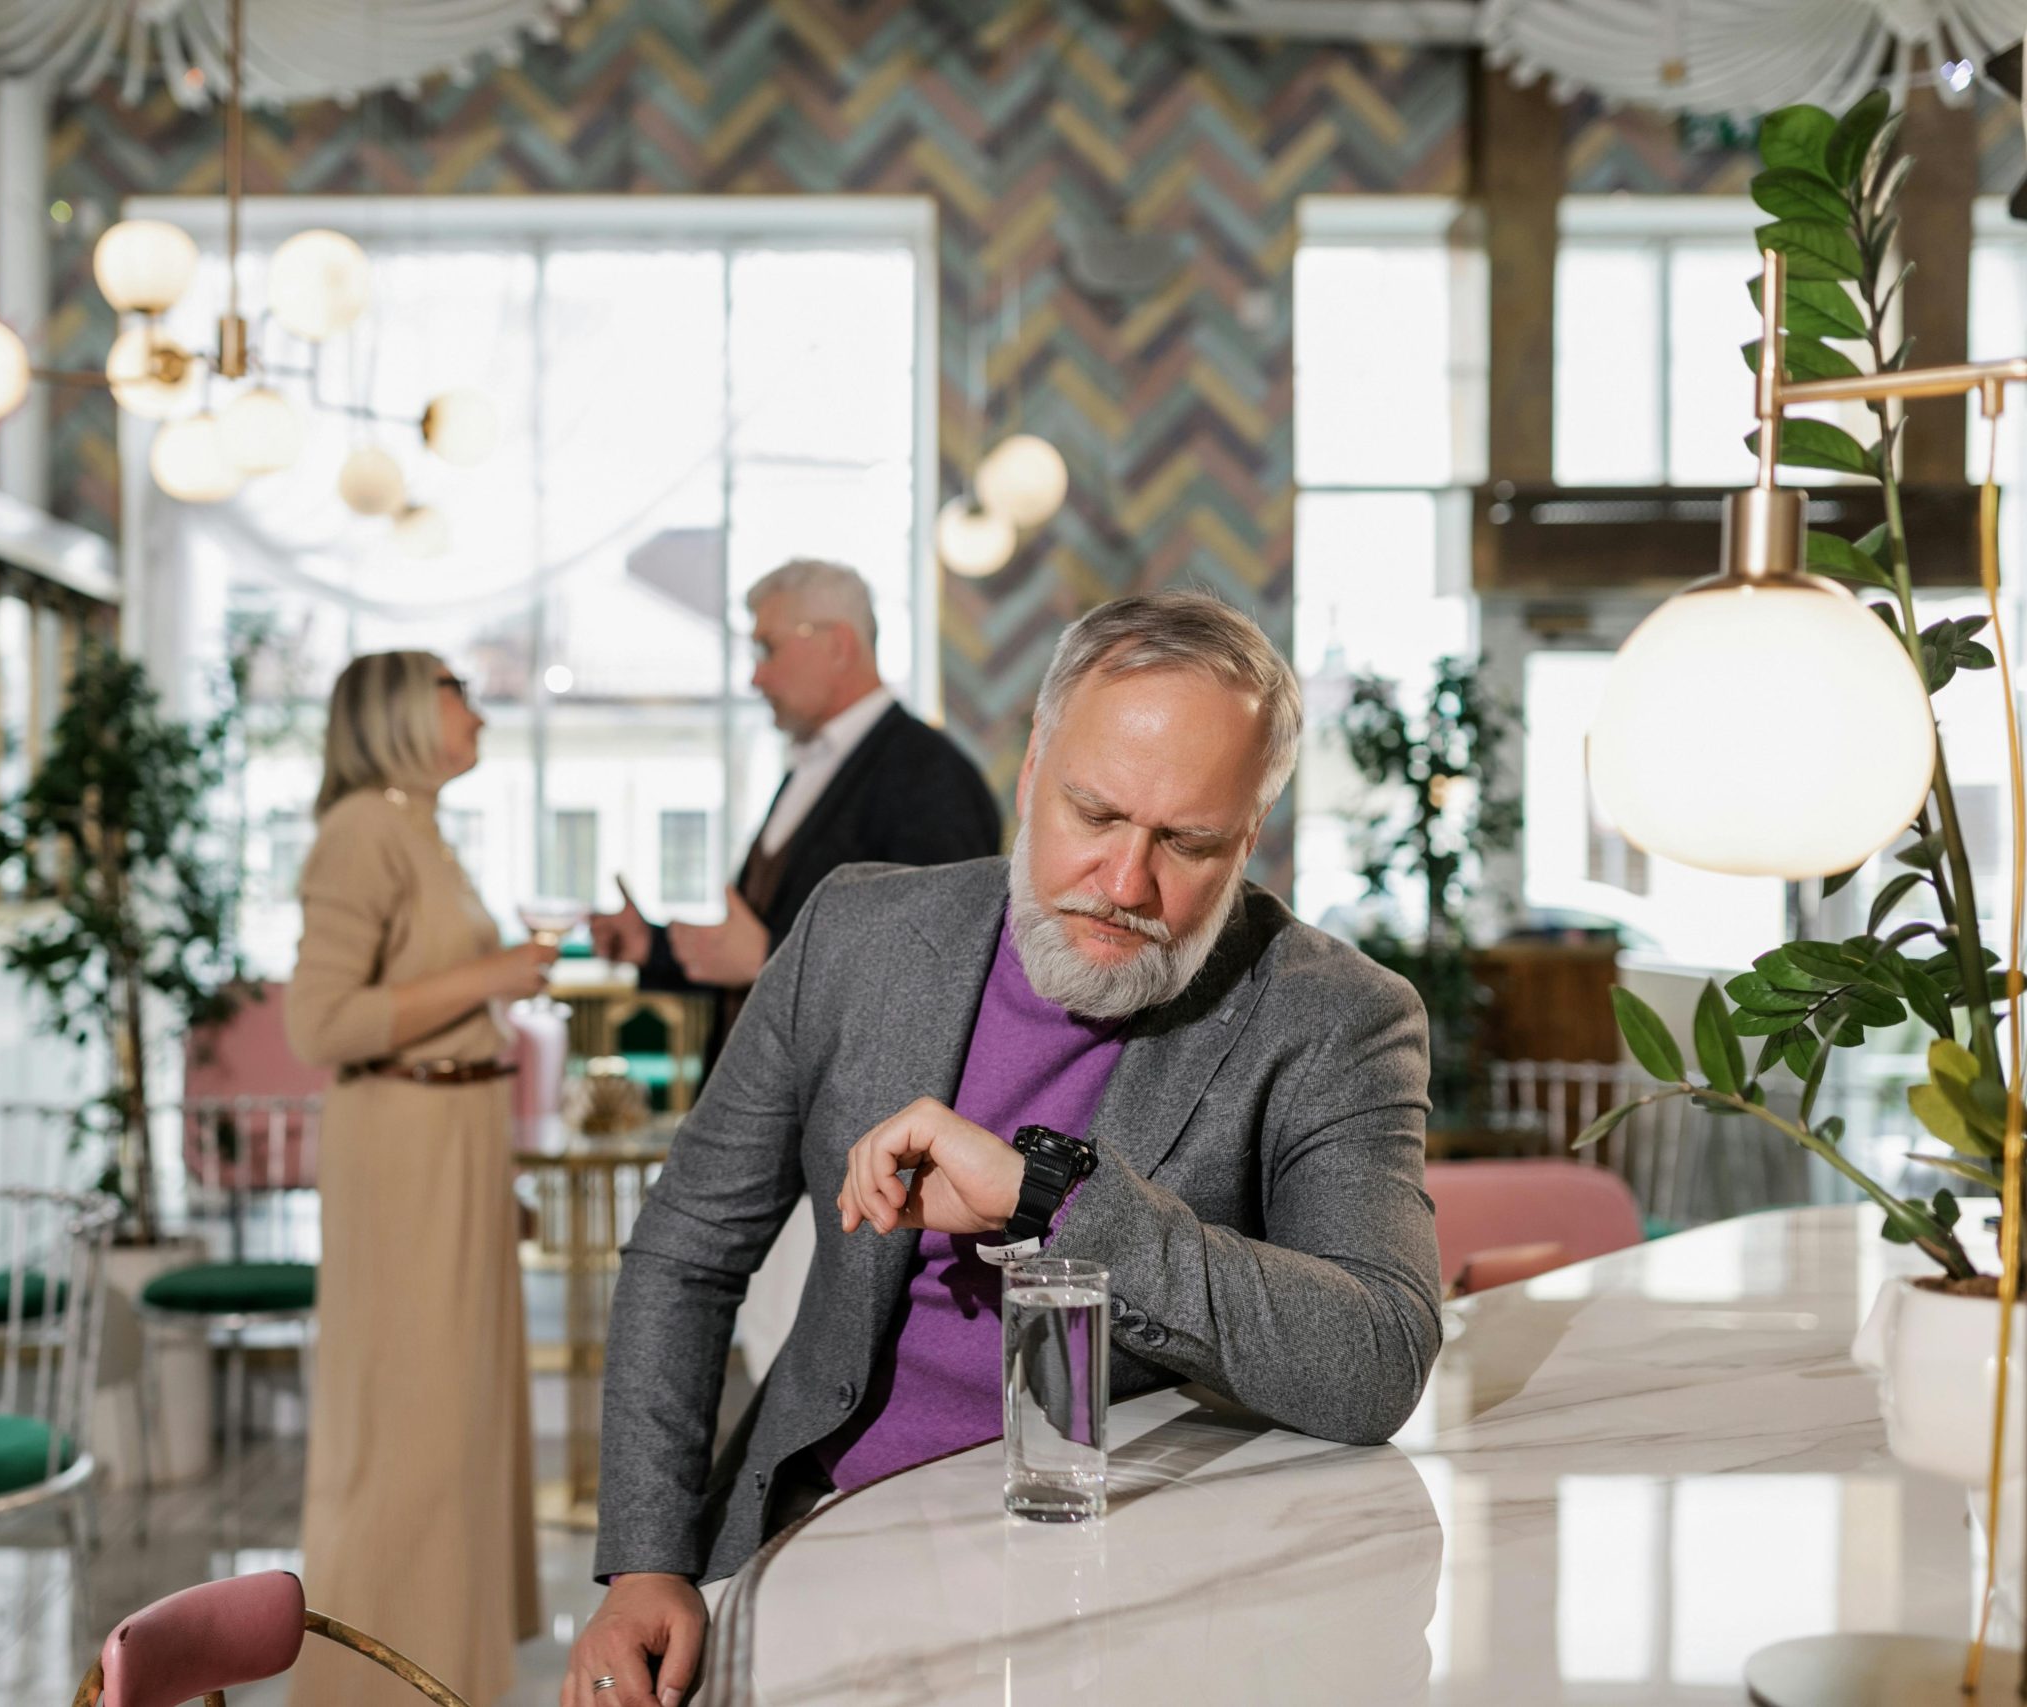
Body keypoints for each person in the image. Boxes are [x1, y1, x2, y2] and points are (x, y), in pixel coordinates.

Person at [563, 593, 1441, 1707]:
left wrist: (1049, 1199)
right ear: (1031, 775)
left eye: (1187, 841)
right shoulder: (855, 935)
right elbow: (686, 1253)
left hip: (1120, 1600)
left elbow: (1372, 1361)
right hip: (809, 1536)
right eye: (1093, 814)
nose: (1125, 885)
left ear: (1250, 836)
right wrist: (647, 1561)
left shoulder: (1332, 1017)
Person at [283, 651, 552, 1707]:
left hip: (455, 1128)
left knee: (458, 1410)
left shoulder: (416, 824)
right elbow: (320, 1020)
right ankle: (376, 1683)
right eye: (459, 690)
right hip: (403, 1140)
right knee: (411, 1418)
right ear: (403, 711)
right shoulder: (361, 830)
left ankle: (447, 1667)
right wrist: (498, 974)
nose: (476, 710)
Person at [588, 558, 1001, 1069]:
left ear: (837, 645)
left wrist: (768, 959)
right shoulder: (813, 764)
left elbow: (939, 963)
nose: (756, 676)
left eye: (768, 648)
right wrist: (650, 947)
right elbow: (755, 945)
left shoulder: (931, 776)